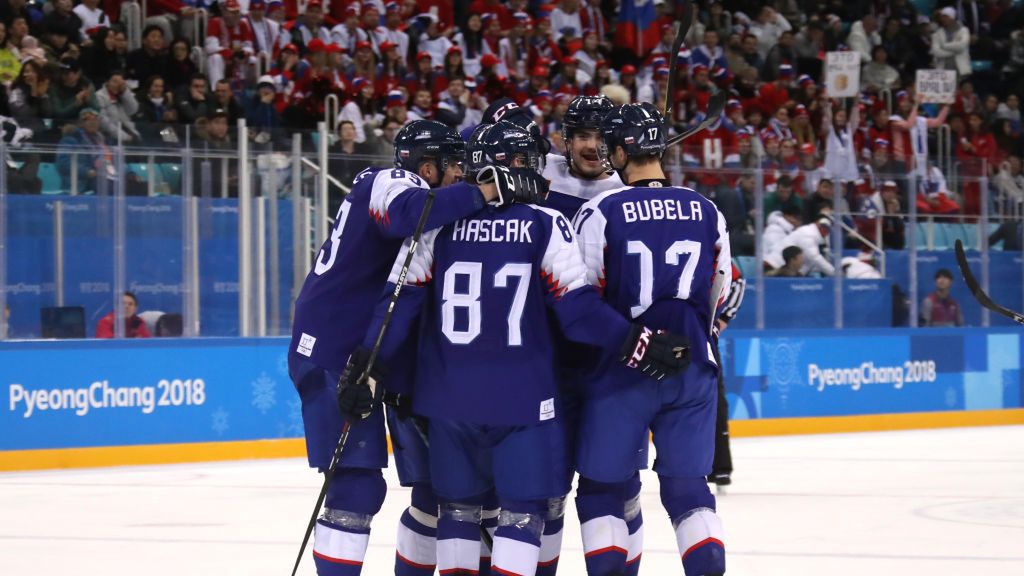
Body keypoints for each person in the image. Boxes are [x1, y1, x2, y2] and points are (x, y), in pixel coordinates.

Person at [344, 120, 688, 576]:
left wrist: (368, 367)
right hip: (525, 399)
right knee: (522, 515)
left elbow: (398, 304)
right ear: (519, 167)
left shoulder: (438, 224)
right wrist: (636, 341)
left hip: (448, 399)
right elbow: (579, 313)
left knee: (458, 513)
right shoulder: (545, 224)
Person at [287, 119, 542, 576]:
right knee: (356, 487)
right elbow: (411, 212)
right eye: (455, 169)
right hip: (336, 351)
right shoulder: (389, 180)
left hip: (383, 351)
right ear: (427, 166)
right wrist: (485, 193)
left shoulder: (414, 194)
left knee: (433, 485)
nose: (462, 177)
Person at [573, 103, 730, 576]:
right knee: (689, 491)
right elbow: (719, 288)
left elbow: (583, 299)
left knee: (602, 490)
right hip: (693, 369)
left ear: (621, 152)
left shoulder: (600, 210)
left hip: (622, 369)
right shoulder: (707, 209)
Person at [709, 263, 745, 491]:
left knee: (715, 402)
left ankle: (720, 466)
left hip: (701, 338)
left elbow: (738, 282)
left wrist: (720, 321)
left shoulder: (708, 239)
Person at [765, 215, 835, 277]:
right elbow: (815, 258)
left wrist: (800, 275)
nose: (825, 231)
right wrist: (835, 274)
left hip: (783, 269)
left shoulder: (814, 238)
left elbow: (809, 262)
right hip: (773, 267)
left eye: (826, 229)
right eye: (822, 227)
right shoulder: (808, 234)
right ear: (817, 225)